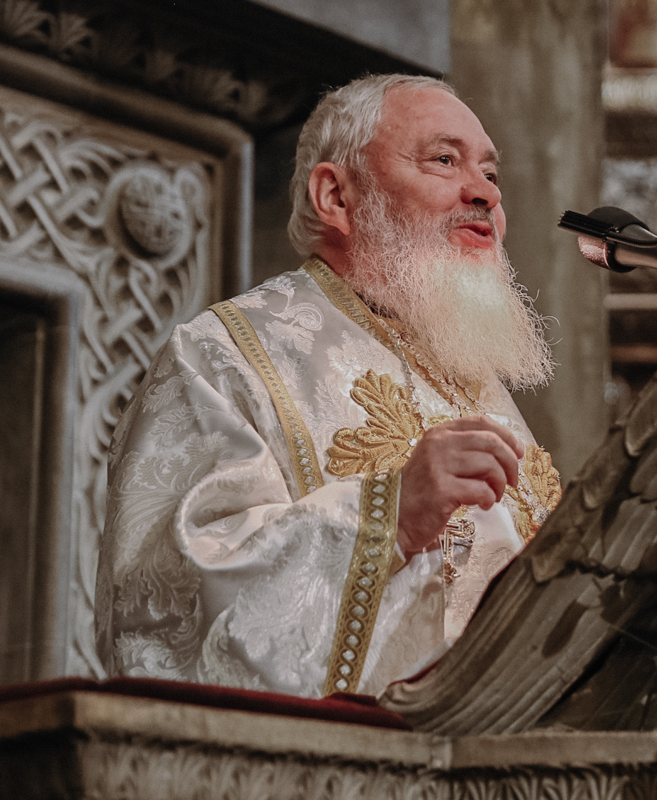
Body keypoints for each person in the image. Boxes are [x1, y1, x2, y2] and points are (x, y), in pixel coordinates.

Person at [94, 74, 561, 699]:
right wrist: (387, 519)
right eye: (444, 161)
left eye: (491, 175)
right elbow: (164, 613)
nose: (482, 194)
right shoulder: (225, 355)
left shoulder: (472, 379)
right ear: (336, 196)